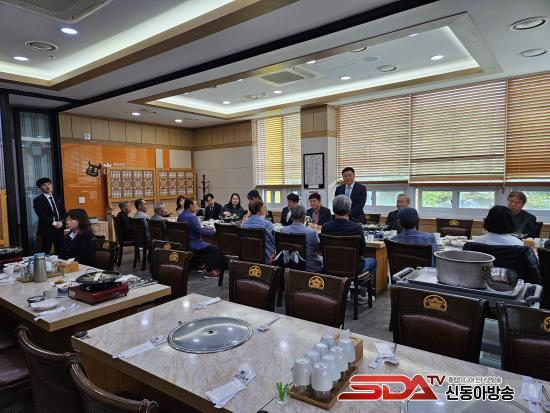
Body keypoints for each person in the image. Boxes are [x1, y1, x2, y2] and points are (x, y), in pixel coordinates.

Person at [322, 195, 376, 304]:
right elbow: (362, 249)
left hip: (331, 265)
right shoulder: (356, 228)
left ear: (333, 210)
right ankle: (362, 293)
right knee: (373, 261)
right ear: (349, 210)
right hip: (353, 268)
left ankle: (344, 290)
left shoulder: (326, 227)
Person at [177, 198, 220, 278]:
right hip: (193, 243)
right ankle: (209, 271)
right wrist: (213, 232)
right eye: (196, 205)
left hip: (184, 243)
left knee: (207, 246)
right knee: (215, 249)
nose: (197, 207)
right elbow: (200, 231)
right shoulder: (192, 217)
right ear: (190, 205)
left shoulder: (180, 216)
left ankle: (199, 265)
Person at [280, 205, 323, 273]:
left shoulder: (283, 230)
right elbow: (319, 250)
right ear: (304, 217)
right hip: (310, 267)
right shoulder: (312, 232)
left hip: (290, 265)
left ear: (291, 217)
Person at [33, 177, 66, 254]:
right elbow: (42, 215)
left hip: (59, 228)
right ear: (40, 188)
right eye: (44, 185)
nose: (47, 186)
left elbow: (64, 212)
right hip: (47, 229)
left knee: (60, 250)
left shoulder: (57, 197)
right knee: (45, 250)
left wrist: (61, 221)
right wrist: (54, 223)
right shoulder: (38, 200)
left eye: (49, 184)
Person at [242, 199, 275, 264]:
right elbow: (274, 242)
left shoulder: (244, 225)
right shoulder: (267, 224)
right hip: (266, 258)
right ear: (261, 208)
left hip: (248, 256)